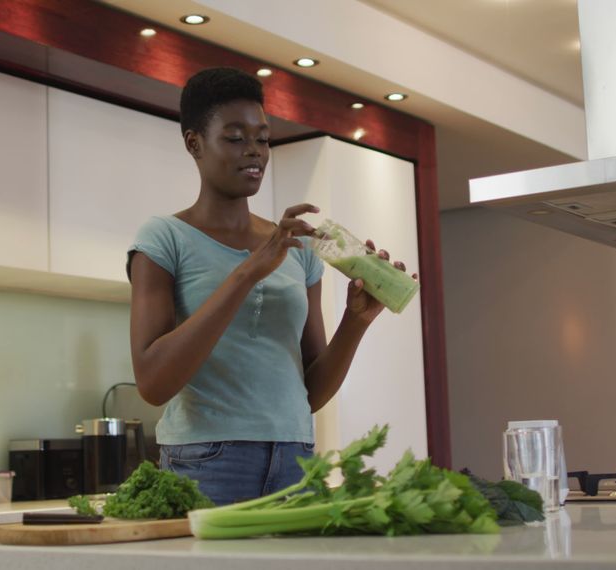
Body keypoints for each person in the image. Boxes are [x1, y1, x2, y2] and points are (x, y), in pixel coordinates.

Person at [126, 67, 416, 506]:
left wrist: (355, 321)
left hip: (296, 456)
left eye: (262, 139)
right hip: (205, 459)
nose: (255, 152)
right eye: (236, 137)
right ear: (194, 143)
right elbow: (152, 383)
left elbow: (310, 393)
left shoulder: (296, 247)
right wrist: (247, 273)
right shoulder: (163, 238)